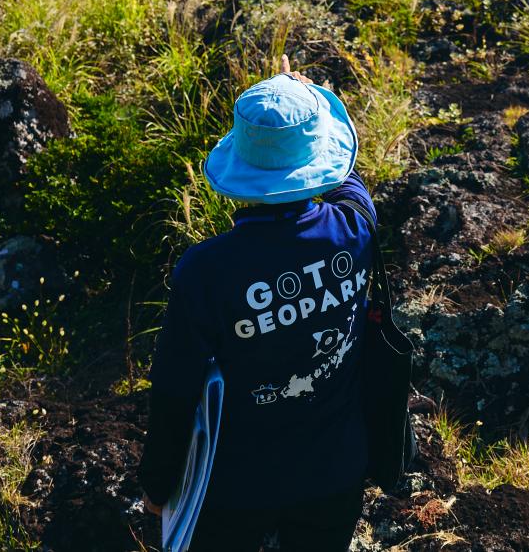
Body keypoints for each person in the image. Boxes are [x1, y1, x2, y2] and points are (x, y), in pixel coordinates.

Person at [139, 55, 373, 552]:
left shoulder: (206, 271)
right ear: (317, 158)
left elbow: (175, 389)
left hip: (237, 486)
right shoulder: (355, 228)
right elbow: (349, 179)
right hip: (336, 470)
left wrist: (158, 485)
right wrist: (312, 100)